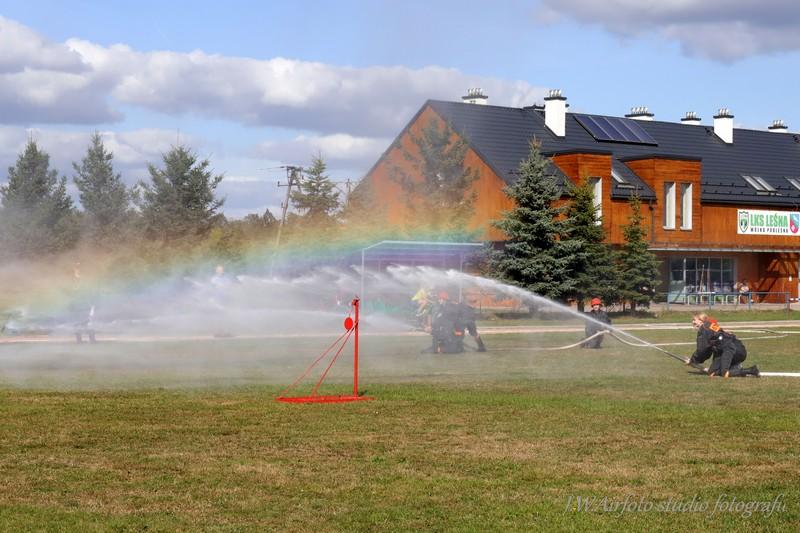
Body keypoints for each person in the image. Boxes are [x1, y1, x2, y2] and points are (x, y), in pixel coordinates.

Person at [687, 313, 759, 377]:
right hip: (724, 350)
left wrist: (693, 360)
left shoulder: (704, 329)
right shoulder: (710, 325)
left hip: (730, 350)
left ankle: (751, 370)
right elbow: (707, 350)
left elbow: (702, 349)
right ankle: (733, 367)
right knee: (712, 372)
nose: (693, 322)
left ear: (701, 320)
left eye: (694, 320)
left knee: (724, 373)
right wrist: (695, 361)